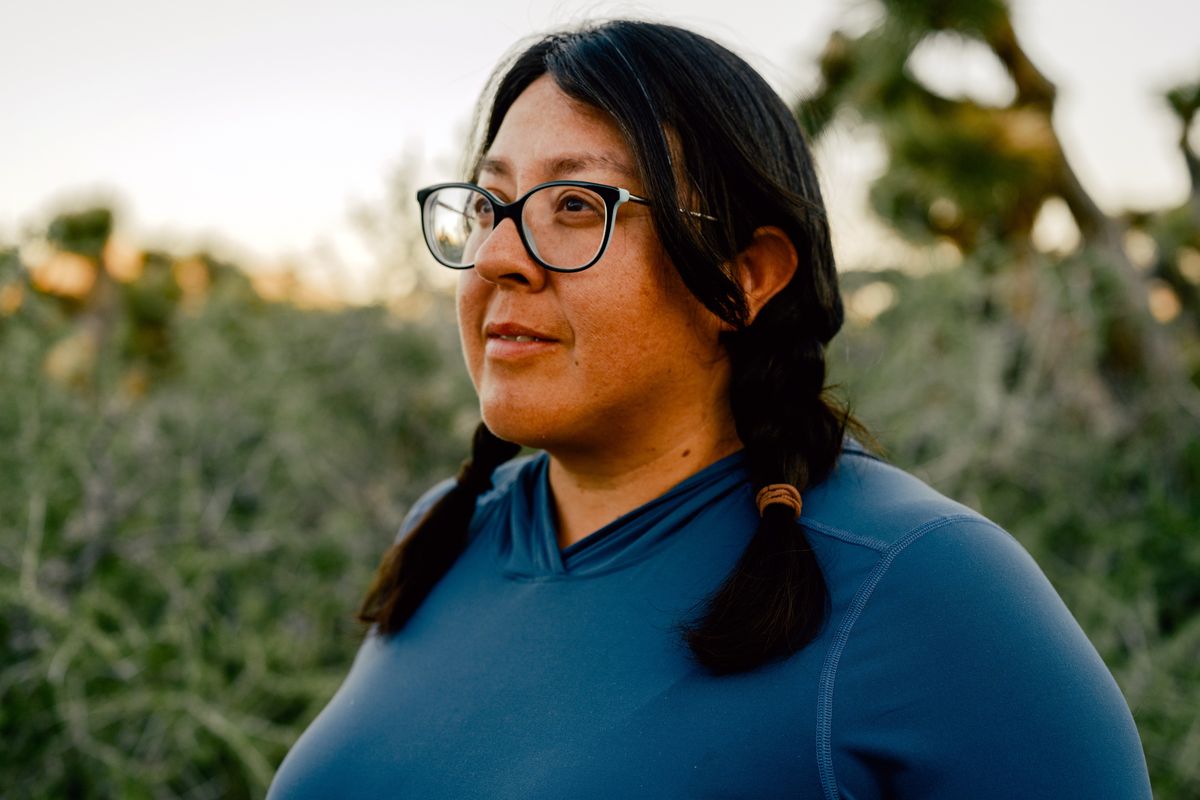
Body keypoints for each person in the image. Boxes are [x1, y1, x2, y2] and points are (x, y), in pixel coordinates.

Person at [267, 20, 1152, 799]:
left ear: (745, 277)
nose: (499, 254)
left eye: (575, 205)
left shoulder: (925, 587)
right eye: (491, 204)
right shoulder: (446, 537)